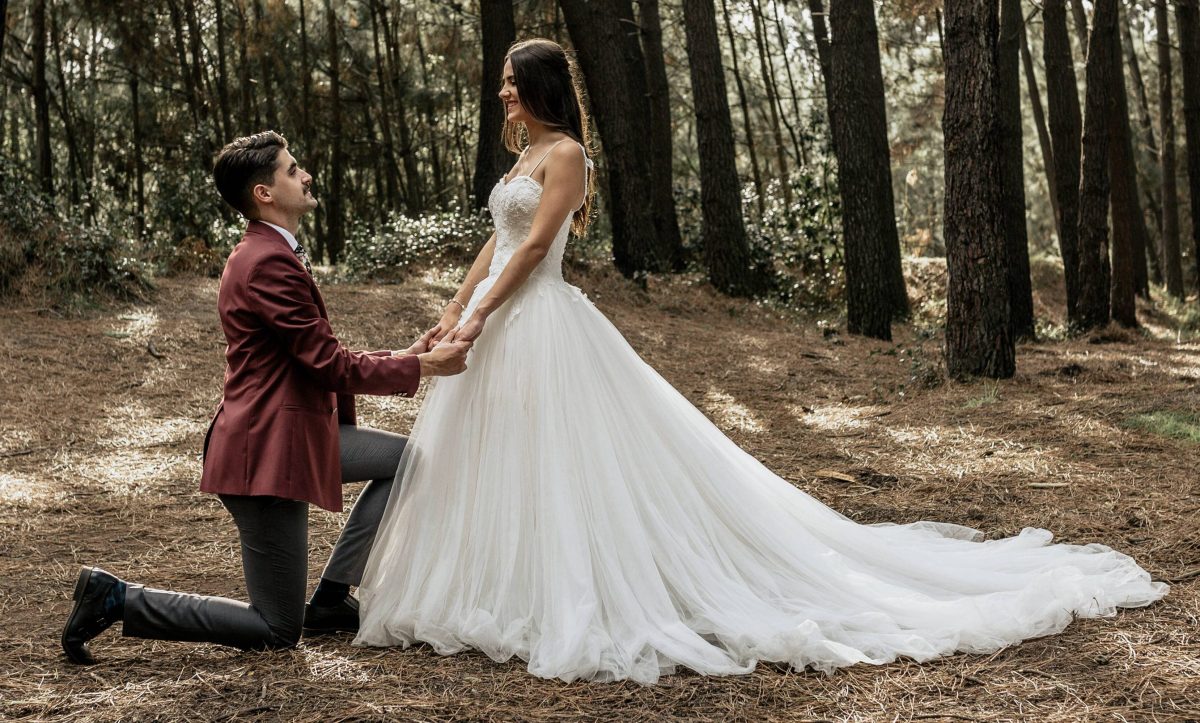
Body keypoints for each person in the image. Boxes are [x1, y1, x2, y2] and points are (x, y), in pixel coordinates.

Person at [352, 38, 1167, 684]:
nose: (502, 92)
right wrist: (453, 314)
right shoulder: (518, 159)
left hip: (541, 323)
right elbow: (494, 244)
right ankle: (494, 587)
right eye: (500, 82)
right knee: (497, 455)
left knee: (567, 460)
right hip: (496, 324)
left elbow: (533, 250)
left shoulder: (565, 155)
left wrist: (485, 313)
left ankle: (564, 590)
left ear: (542, 87)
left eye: (511, 80)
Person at [61, 131, 473, 665]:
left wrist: (404, 353)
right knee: (277, 628)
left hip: (295, 432)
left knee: (406, 460)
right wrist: (420, 366)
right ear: (265, 193)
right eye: (293, 169)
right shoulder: (266, 262)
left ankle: (330, 596)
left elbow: (314, 353)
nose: (305, 176)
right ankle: (117, 598)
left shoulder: (269, 252)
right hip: (266, 453)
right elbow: (326, 362)